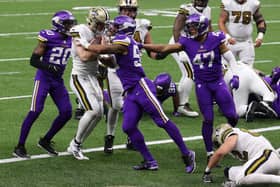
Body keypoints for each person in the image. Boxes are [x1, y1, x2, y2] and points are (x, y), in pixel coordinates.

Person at [78, 15, 196, 172]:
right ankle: (150, 161)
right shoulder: (125, 42)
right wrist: (101, 58)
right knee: (128, 126)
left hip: (141, 86)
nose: (111, 28)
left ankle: (187, 154)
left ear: (123, 29)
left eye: (115, 26)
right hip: (131, 91)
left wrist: (85, 43)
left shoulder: (124, 40)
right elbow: (112, 62)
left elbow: (103, 49)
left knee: (162, 120)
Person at [142, 13, 239, 161]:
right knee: (208, 119)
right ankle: (209, 152)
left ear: (203, 27)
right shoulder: (186, 42)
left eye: (194, 27)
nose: (191, 30)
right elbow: (165, 48)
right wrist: (142, 45)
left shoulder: (216, 38)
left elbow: (231, 59)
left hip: (218, 82)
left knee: (232, 115)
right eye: (190, 27)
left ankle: (227, 137)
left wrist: (235, 75)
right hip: (202, 85)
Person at [103, 0, 174, 154]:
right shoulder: (113, 27)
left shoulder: (142, 26)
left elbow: (152, 53)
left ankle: (131, 139)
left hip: (133, 75)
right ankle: (109, 136)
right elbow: (103, 49)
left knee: (135, 106)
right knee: (116, 106)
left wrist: (165, 52)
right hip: (114, 70)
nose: (128, 13)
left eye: (131, 10)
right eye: (125, 9)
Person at [13, 10, 76, 158]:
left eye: (71, 23)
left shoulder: (73, 39)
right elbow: (33, 60)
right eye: (67, 24)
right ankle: (20, 146)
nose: (70, 26)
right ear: (58, 24)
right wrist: (49, 67)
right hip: (44, 78)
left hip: (57, 80)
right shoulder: (48, 37)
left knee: (66, 112)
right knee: (35, 111)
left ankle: (46, 140)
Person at [66, 7, 110, 160]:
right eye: (99, 24)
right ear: (91, 20)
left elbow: (106, 56)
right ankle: (75, 145)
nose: (101, 28)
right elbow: (84, 56)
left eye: (103, 25)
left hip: (92, 76)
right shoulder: (79, 30)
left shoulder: (102, 34)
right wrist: (100, 49)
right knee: (92, 110)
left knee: (99, 114)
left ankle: (77, 143)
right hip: (79, 76)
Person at [168, 0, 213, 117]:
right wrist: (179, 48)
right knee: (190, 73)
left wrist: (211, 45)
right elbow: (176, 29)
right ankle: (182, 105)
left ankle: (181, 104)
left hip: (192, 45)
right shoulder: (186, 9)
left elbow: (209, 29)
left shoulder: (208, 10)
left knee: (189, 73)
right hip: (180, 44)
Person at [202, 123, 280, 186]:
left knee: (242, 178)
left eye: (217, 142)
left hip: (266, 156)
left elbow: (219, 153)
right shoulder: (241, 136)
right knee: (229, 172)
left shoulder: (231, 134)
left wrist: (207, 171)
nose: (218, 145)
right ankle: (264, 180)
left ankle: (277, 179)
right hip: (266, 160)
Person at [219, 0, 266, 67]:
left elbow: (260, 21)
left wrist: (260, 37)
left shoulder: (253, 3)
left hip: (246, 42)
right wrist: (227, 37)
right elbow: (221, 22)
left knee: (247, 70)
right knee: (225, 68)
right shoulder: (228, 3)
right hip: (230, 41)